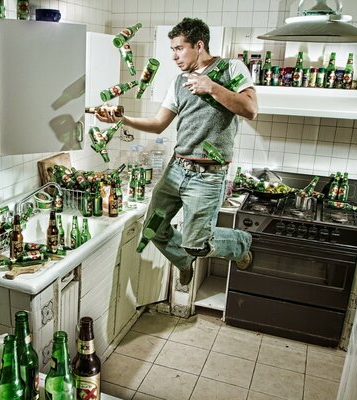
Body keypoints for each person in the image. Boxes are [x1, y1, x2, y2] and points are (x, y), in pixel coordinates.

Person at [97, 18, 257, 285]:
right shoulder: (179, 82)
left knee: (198, 244)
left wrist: (212, 87)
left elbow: (251, 109)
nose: (173, 56)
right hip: (177, 168)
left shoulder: (231, 68)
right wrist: (121, 120)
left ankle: (240, 244)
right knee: (153, 230)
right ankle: (183, 260)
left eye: (179, 48)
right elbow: (159, 124)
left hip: (207, 176)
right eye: (172, 49)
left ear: (199, 45)